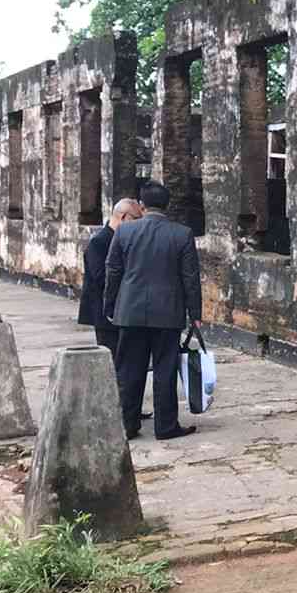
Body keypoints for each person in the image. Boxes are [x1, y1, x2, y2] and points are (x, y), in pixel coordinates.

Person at [103, 181, 203, 442]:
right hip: (167, 312)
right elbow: (190, 278)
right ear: (167, 206)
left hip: (130, 310)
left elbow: (112, 270)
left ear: (142, 205)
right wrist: (196, 314)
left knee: (129, 370)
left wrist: (110, 304)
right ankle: (165, 425)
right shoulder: (182, 234)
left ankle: (128, 424)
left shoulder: (124, 233)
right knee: (164, 369)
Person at [78, 198, 141, 355]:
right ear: (124, 217)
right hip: (105, 312)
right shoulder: (99, 242)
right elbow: (101, 278)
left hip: (125, 310)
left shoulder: (125, 239)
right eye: (137, 219)